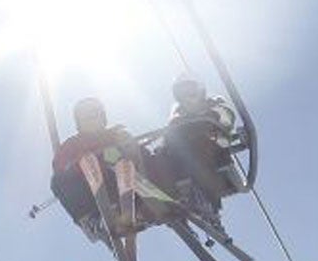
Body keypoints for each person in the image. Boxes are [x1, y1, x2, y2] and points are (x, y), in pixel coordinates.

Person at [51, 97, 145, 240]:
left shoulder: (115, 135)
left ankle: (138, 207)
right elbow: (60, 167)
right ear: (79, 123)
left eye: (95, 114)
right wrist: (83, 162)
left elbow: (137, 153)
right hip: (91, 191)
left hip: (121, 183)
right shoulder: (72, 144)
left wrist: (129, 147)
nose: (92, 119)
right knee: (58, 181)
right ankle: (93, 222)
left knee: (125, 159)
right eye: (87, 116)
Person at [158, 76, 245, 212]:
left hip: (215, 150)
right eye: (183, 93)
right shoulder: (178, 113)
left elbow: (226, 116)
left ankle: (208, 202)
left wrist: (210, 118)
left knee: (198, 142)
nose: (188, 97)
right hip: (186, 156)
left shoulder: (213, 102)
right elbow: (170, 133)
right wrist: (164, 145)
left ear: (200, 91)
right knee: (161, 155)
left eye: (191, 91)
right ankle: (169, 202)